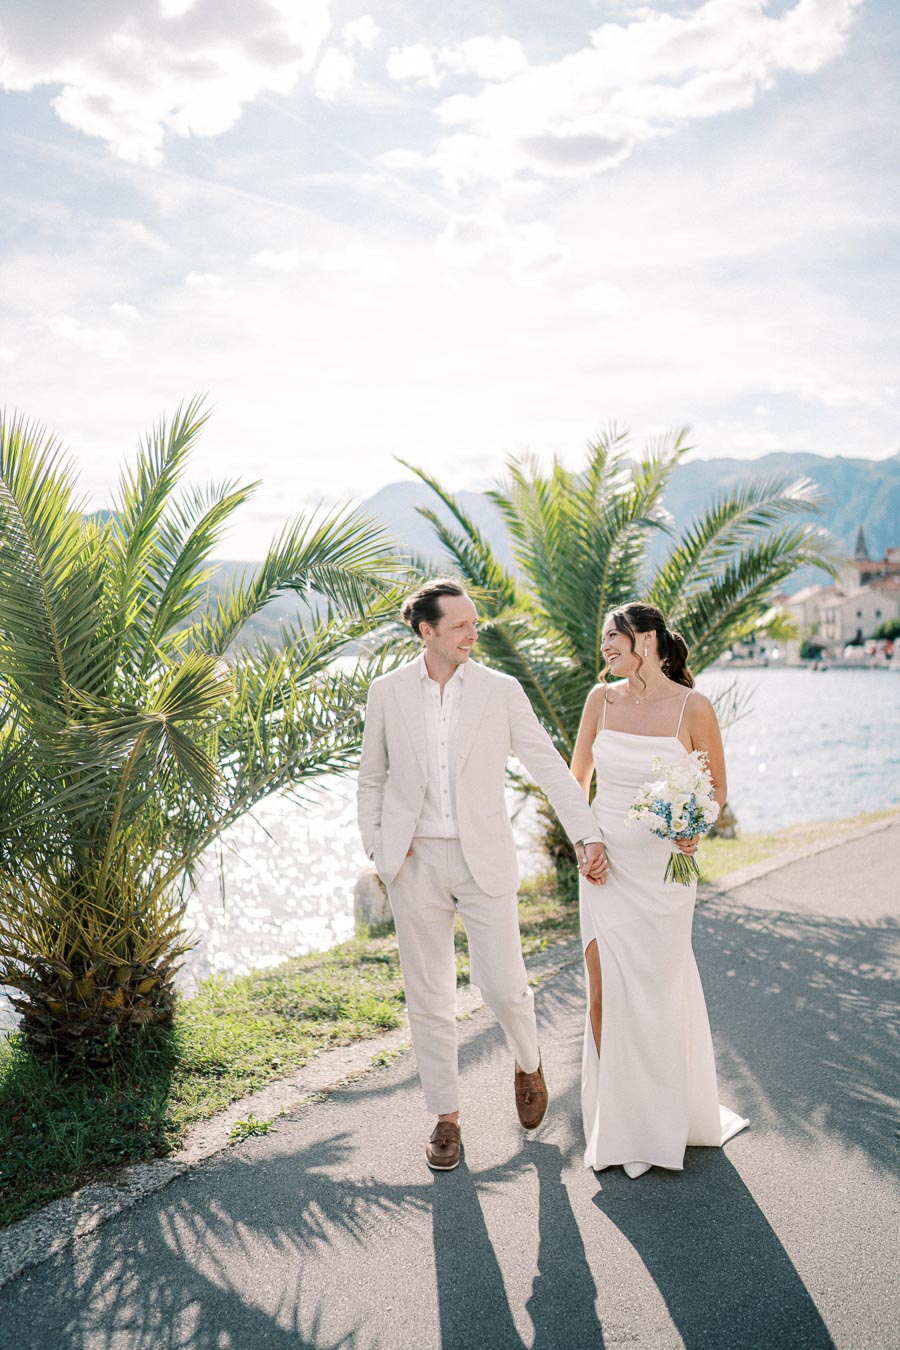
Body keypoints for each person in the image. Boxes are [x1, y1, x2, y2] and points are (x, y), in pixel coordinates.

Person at [357, 578, 606, 1171]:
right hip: (414, 865)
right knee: (430, 996)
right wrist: (379, 846)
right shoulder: (387, 692)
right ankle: (446, 1119)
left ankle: (527, 1059)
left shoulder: (501, 691)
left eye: (475, 623)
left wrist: (586, 831)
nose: (474, 633)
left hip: (483, 858)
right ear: (427, 631)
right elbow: (371, 778)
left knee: (501, 984)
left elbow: (547, 765)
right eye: (462, 625)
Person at [571, 601, 748, 1179]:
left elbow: (716, 788)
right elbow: (577, 783)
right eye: (602, 640)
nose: (605, 647)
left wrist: (695, 826)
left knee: (657, 992)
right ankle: (615, 1123)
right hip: (602, 866)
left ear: (645, 639)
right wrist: (585, 843)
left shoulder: (692, 706)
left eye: (613, 637)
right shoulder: (599, 700)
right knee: (602, 992)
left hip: (666, 873)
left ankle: (661, 1120)